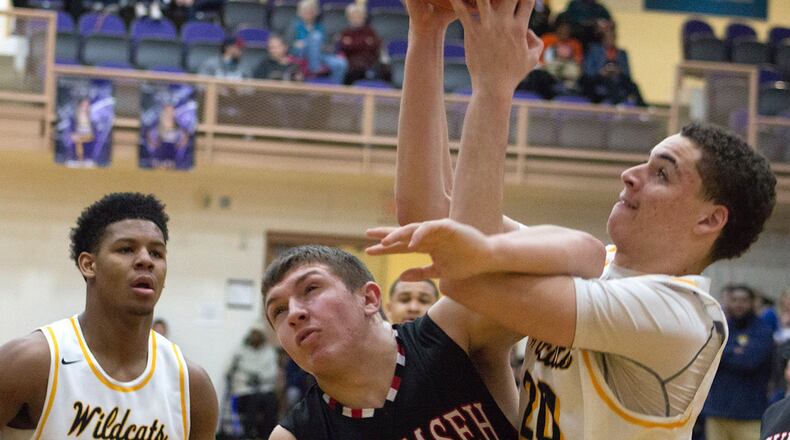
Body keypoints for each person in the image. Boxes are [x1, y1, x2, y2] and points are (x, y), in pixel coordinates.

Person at [366, 0, 777, 436]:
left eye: (662, 174)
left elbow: (466, 276)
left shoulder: (682, 315)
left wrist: (493, 87)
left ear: (709, 221)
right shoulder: (602, 267)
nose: (630, 176)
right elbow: (431, 220)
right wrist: (426, 33)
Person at [0, 192, 218, 438]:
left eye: (157, 253)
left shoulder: (192, 385)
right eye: (126, 249)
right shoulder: (31, 362)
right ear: (88, 265)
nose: (146, 260)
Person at [264, 245, 528, 439]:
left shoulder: (453, 328)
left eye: (310, 289)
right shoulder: (292, 436)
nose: (295, 313)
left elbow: (549, 281)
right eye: (278, 310)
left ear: (368, 299)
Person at [703, 284, 774, 440]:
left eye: (743, 300)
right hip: (717, 412)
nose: (739, 305)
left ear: (752, 303)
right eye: (734, 300)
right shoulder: (720, 328)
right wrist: (735, 351)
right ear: (728, 302)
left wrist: (723, 351)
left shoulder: (763, 330)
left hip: (750, 414)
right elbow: (708, 357)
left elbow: (750, 362)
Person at [226, 326, 280, 439]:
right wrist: (250, 377)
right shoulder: (240, 352)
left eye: (257, 334)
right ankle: (248, 435)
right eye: (253, 334)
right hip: (245, 392)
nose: (255, 337)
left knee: (271, 402)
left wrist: (257, 376)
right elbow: (233, 372)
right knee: (253, 401)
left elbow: (272, 373)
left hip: (265, 390)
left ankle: (267, 435)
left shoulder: (269, 352)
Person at [580, 23, 646, 106]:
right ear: (603, 39)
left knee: (633, 85)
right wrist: (601, 72)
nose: (610, 40)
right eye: (608, 38)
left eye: (612, 38)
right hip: (598, 77)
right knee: (607, 82)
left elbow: (627, 73)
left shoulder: (622, 53)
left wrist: (618, 71)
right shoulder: (594, 50)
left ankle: (643, 108)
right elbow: (588, 69)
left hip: (617, 77)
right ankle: (616, 105)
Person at [287, 0, 348, 84]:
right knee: (316, 36)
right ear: (300, 12)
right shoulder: (294, 26)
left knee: (341, 64)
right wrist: (296, 43)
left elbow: (327, 45)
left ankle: (334, 91)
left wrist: (324, 46)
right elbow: (288, 42)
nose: (309, 12)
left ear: (316, 12)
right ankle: (314, 69)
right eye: (306, 10)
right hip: (301, 53)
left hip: (320, 54)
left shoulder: (321, 27)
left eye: (311, 10)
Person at [336, 3, 387, 85]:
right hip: (351, 66)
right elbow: (344, 47)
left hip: (369, 63)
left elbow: (375, 45)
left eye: (360, 16)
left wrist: (353, 43)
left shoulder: (370, 31)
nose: (357, 18)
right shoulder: (345, 32)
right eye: (354, 16)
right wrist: (365, 42)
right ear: (349, 17)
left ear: (364, 17)